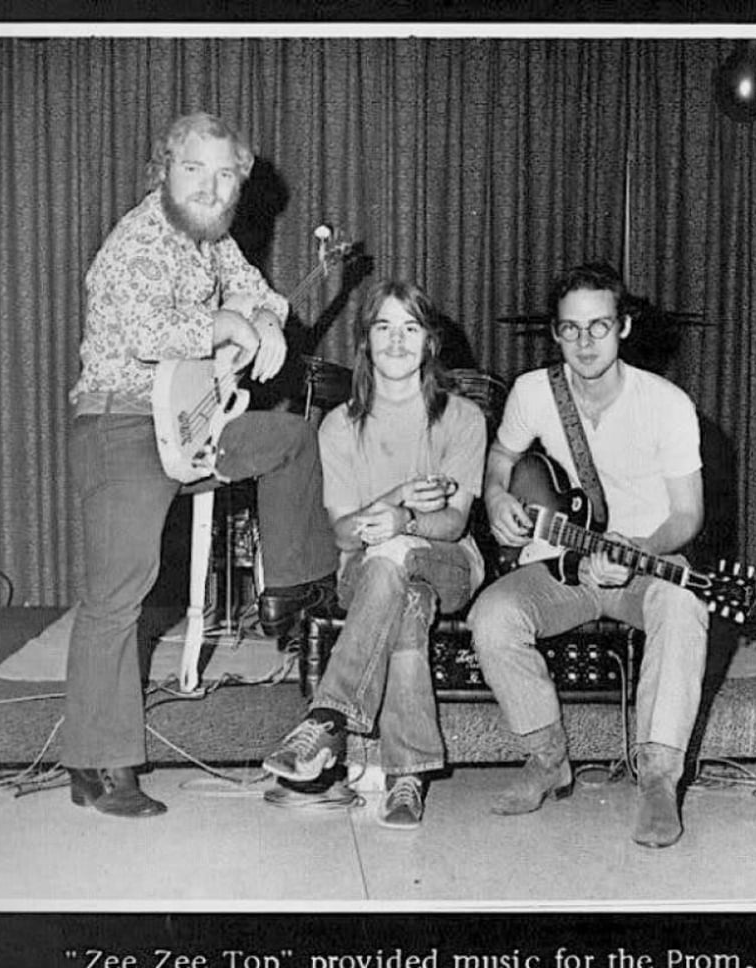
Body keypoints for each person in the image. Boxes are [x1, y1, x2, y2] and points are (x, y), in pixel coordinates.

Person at [63, 112, 339, 817]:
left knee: (290, 439)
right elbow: (140, 330)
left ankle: (292, 587)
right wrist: (223, 325)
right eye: (196, 169)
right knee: (117, 595)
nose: (212, 188)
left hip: (189, 419)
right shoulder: (136, 240)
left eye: (226, 176)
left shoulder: (209, 242)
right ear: (163, 171)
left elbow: (259, 292)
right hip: (121, 422)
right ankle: (104, 764)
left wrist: (267, 321)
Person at [467, 262, 708, 848]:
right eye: (570, 330)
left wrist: (639, 548)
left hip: (645, 564)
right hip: (567, 564)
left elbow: (687, 515)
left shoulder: (667, 404)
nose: (584, 343)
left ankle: (657, 780)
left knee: (684, 607)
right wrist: (497, 496)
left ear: (624, 327)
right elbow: (501, 459)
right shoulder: (532, 392)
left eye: (598, 326)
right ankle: (547, 759)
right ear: (555, 333)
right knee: (492, 617)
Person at [262, 280, 487, 829]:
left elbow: (454, 523)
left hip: (450, 561)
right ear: (365, 340)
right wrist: (396, 499)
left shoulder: (461, 418)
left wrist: (404, 520)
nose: (396, 340)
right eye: (383, 326)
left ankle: (326, 717)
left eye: (410, 328)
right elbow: (342, 534)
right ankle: (406, 775)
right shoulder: (340, 425)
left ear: (430, 342)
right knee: (401, 593)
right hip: (365, 573)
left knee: (393, 551)